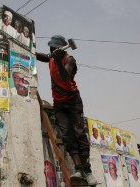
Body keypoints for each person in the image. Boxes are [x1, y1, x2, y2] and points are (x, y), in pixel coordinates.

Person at [36, 35, 97, 185]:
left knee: (79, 133)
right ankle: (78, 169)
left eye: (54, 48)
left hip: (72, 101)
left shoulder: (70, 59)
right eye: (50, 48)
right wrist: (31, 50)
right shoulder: (52, 58)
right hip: (59, 104)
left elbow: (65, 77)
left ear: (62, 49)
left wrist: (57, 59)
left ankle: (88, 171)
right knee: (67, 135)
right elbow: (45, 57)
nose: (51, 51)